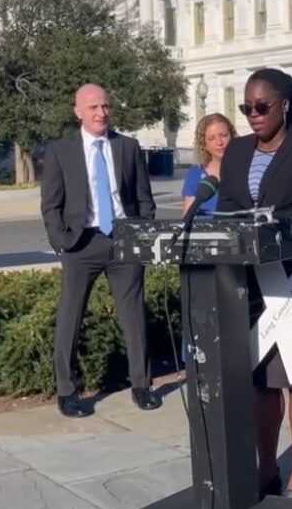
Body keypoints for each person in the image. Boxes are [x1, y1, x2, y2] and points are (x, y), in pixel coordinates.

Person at [218, 68, 292, 500]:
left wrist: (283, 235)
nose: (253, 115)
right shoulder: (235, 152)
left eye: (262, 106)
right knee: (260, 379)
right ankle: (266, 468)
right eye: (246, 108)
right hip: (249, 280)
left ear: (285, 105)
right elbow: (230, 206)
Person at [40, 84, 160, 417]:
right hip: (82, 243)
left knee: (134, 314)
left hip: (124, 238)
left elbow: (143, 197)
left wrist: (143, 231)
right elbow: (51, 203)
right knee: (70, 315)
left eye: (105, 106)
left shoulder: (128, 147)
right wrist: (61, 241)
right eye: (93, 107)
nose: (101, 113)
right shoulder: (60, 151)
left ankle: (142, 385)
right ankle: (67, 391)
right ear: (78, 111)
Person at [182, 113, 234, 215]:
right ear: (203, 144)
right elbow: (187, 215)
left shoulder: (245, 169)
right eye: (211, 138)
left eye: (223, 135)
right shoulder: (195, 173)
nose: (219, 142)